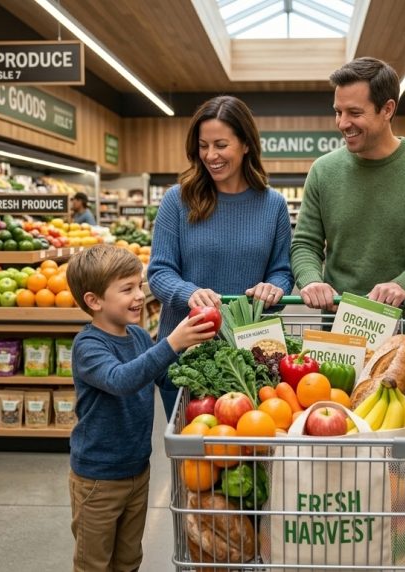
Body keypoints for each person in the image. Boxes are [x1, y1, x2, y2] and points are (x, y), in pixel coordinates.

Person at [65, 244, 215, 572]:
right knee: (94, 561)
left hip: (137, 469)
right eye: (127, 289)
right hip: (97, 478)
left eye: (139, 285)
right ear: (94, 301)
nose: (138, 296)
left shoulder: (136, 335)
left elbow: (161, 376)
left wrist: (202, 373)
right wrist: (172, 342)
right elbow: (121, 379)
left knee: (129, 557)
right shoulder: (88, 346)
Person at [290, 57, 405, 341]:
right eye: (338, 112)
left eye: (354, 112)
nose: (343, 123)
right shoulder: (323, 170)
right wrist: (311, 280)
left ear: (387, 109)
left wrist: (404, 284)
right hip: (337, 325)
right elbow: (305, 243)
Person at [148, 95, 293, 417]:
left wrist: (274, 288)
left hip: (251, 353)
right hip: (188, 349)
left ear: (245, 145)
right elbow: (159, 272)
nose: (210, 155)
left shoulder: (273, 205)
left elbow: (282, 271)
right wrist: (190, 293)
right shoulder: (177, 200)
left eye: (221, 145)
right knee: (194, 460)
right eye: (203, 146)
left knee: (250, 456)